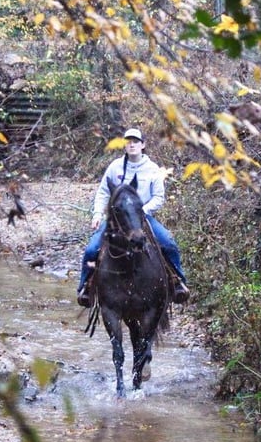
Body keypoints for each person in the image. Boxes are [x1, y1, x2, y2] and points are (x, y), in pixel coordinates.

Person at [77, 127, 190, 307]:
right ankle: (86, 287)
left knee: (168, 243)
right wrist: (98, 213)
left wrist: (142, 211)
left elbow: (159, 197)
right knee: (92, 249)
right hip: (117, 219)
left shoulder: (152, 169)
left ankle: (178, 282)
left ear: (143, 145)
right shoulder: (115, 167)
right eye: (128, 142)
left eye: (136, 142)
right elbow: (103, 192)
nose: (132, 145)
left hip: (142, 217)